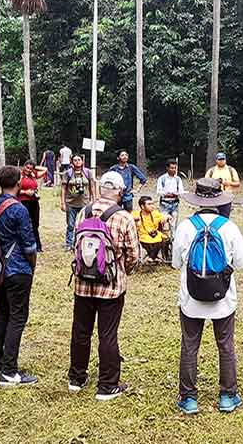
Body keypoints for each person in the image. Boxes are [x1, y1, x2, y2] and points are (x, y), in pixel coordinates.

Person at [172, 178, 243, 415]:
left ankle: (189, 399)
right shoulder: (229, 227)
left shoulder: (185, 227)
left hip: (190, 300)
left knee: (189, 345)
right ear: (219, 200)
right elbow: (242, 263)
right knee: (225, 346)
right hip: (223, 300)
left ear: (196, 201)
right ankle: (227, 396)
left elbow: (176, 264)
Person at [68, 171, 138, 401]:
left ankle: (76, 378)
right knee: (107, 334)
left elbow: (75, 245)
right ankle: (107, 385)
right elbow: (133, 255)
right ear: (120, 191)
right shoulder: (124, 217)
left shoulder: (83, 213)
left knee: (81, 331)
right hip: (111, 286)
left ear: (100, 189)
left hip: (82, 284)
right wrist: (121, 271)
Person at [0, 165, 39, 387]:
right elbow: (29, 246)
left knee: (2, 314)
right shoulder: (19, 210)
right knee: (17, 318)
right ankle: (9, 371)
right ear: (18, 182)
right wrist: (32, 267)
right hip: (18, 269)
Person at [61, 154, 96, 250]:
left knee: (84, 224)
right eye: (75, 160)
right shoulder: (67, 173)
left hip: (84, 203)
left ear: (82, 161)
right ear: (72, 162)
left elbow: (92, 186)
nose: (77, 161)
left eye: (79, 160)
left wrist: (94, 199)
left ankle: (81, 242)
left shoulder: (88, 172)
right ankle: (69, 244)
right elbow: (63, 188)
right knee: (71, 224)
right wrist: (63, 202)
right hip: (71, 203)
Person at [18, 160, 47, 253]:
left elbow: (45, 169)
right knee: (25, 224)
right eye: (27, 167)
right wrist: (25, 192)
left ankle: (37, 245)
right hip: (23, 201)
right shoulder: (19, 176)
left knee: (35, 224)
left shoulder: (33, 175)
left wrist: (34, 168)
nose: (28, 170)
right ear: (23, 166)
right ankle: (24, 245)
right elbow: (14, 189)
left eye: (31, 168)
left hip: (34, 201)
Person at [133, 196, 170, 262]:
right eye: (149, 204)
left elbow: (164, 217)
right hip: (143, 237)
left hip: (155, 235)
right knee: (149, 242)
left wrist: (166, 217)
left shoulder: (155, 213)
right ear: (142, 206)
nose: (152, 206)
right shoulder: (136, 214)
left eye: (152, 204)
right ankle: (153, 257)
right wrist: (135, 222)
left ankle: (151, 257)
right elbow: (129, 218)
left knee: (162, 238)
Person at [205, 153, 240, 218]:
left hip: (226, 197)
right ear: (216, 160)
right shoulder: (211, 171)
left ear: (225, 160)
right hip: (213, 197)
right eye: (219, 159)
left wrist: (229, 183)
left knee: (224, 218)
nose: (221, 161)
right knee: (212, 217)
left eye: (223, 159)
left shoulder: (231, 170)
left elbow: (237, 183)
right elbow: (205, 183)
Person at [156, 159, 185, 231]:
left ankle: (173, 240)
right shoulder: (162, 178)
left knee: (174, 224)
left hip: (175, 203)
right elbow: (159, 191)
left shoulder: (178, 179)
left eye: (175, 168)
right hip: (164, 204)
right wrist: (167, 194)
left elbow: (181, 191)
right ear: (167, 168)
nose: (174, 170)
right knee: (163, 222)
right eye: (172, 168)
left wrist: (176, 194)